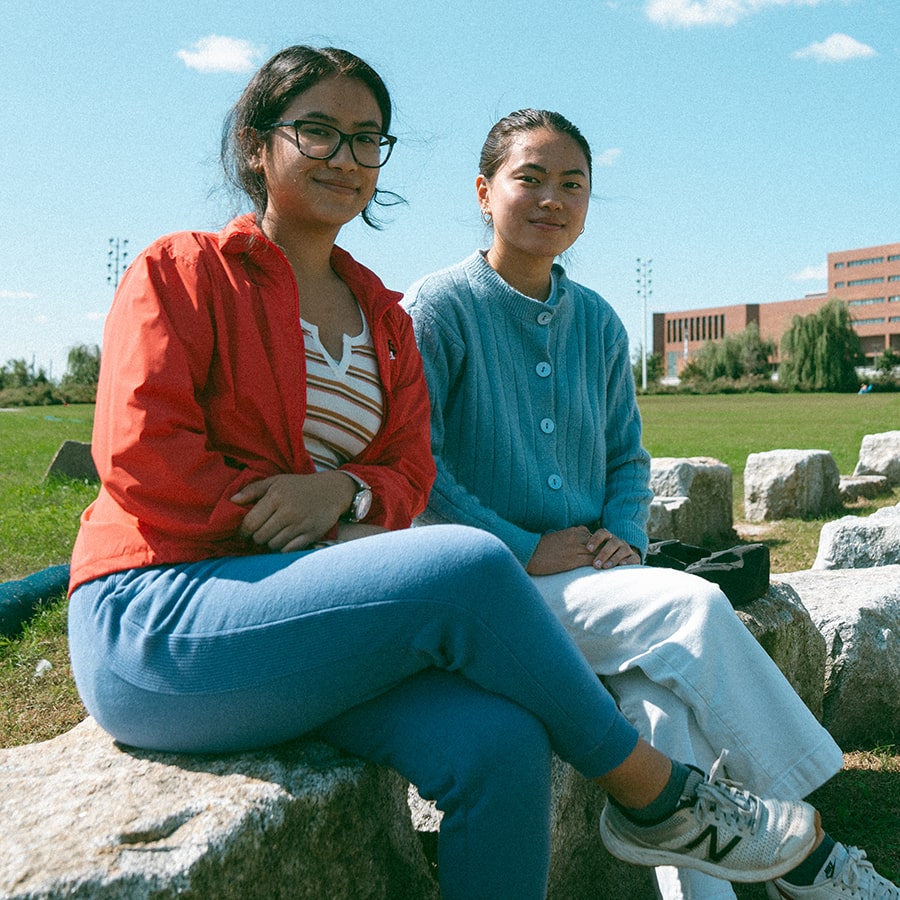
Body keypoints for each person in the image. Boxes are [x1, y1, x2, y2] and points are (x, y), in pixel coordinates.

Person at [64, 46, 824, 900]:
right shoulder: (184, 272)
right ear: (256, 146)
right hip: (162, 612)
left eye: (366, 139)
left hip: (313, 615)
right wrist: (321, 521)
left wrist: (344, 493)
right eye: (316, 131)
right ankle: (657, 797)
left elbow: (405, 471)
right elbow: (142, 459)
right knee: (466, 562)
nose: (345, 158)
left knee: (502, 743)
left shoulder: (382, 318)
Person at [403, 108, 900, 900]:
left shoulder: (597, 320)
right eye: (528, 177)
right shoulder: (439, 308)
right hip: (490, 588)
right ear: (483, 190)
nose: (551, 199)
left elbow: (627, 459)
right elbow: (412, 471)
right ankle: (808, 854)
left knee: (662, 706)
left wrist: (627, 533)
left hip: (592, 581)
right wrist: (521, 546)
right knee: (695, 609)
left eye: (574, 184)